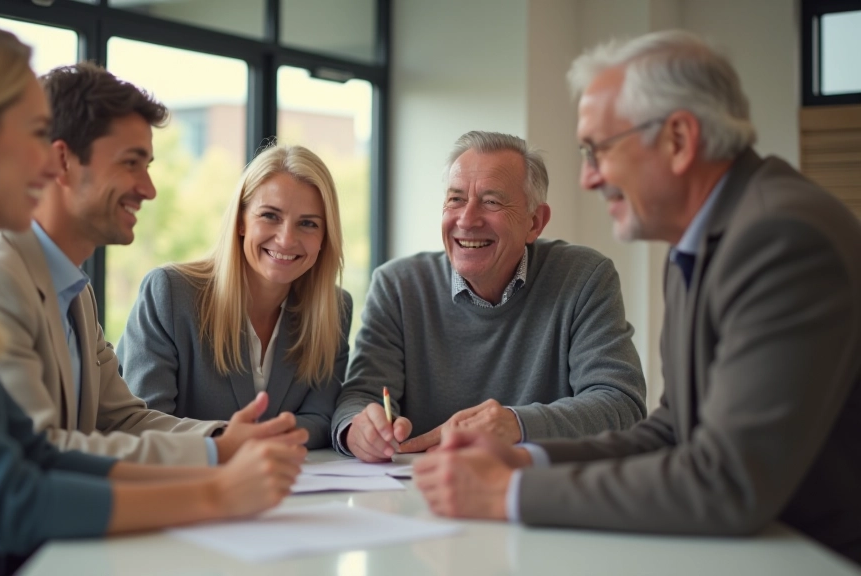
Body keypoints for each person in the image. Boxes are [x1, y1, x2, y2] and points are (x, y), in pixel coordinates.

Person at [0, 23, 303, 576]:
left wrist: (216, 470)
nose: (46, 162)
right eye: (35, 133)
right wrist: (218, 494)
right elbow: (11, 497)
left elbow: (35, 455)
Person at [413, 31, 861, 565]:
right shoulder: (703, 240)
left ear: (677, 139)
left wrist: (505, 494)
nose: (588, 178)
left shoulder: (780, 238)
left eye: (598, 149)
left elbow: (728, 482)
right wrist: (526, 463)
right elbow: (672, 431)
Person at [0, 62, 305, 466]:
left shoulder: (74, 291)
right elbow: (35, 451)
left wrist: (226, 436)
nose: (148, 189)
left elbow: (122, 419)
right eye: (130, 163)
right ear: (62, 160)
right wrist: (215, 454)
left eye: (147, 167)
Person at [331, 130, 647, 462]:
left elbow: (621, 403)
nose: (466, 220)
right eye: (455, 199)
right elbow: (361, 396)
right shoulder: (397, 286)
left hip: (534, 495)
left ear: (535, 222)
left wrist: (516, 424)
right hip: (418, 493)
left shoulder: (584, 278)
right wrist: (358, 428)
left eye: (491, 202)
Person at [117, 144, 351, 450]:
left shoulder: (333, 309)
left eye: (308, 223)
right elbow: (145, 422)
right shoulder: (170, 293)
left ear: (325, 236)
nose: (286, 239)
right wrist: (232, 440)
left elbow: (321, 417)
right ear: (241, 220)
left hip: (290, 490)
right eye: (270, 215)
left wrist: (259, 440)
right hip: (185, 488)